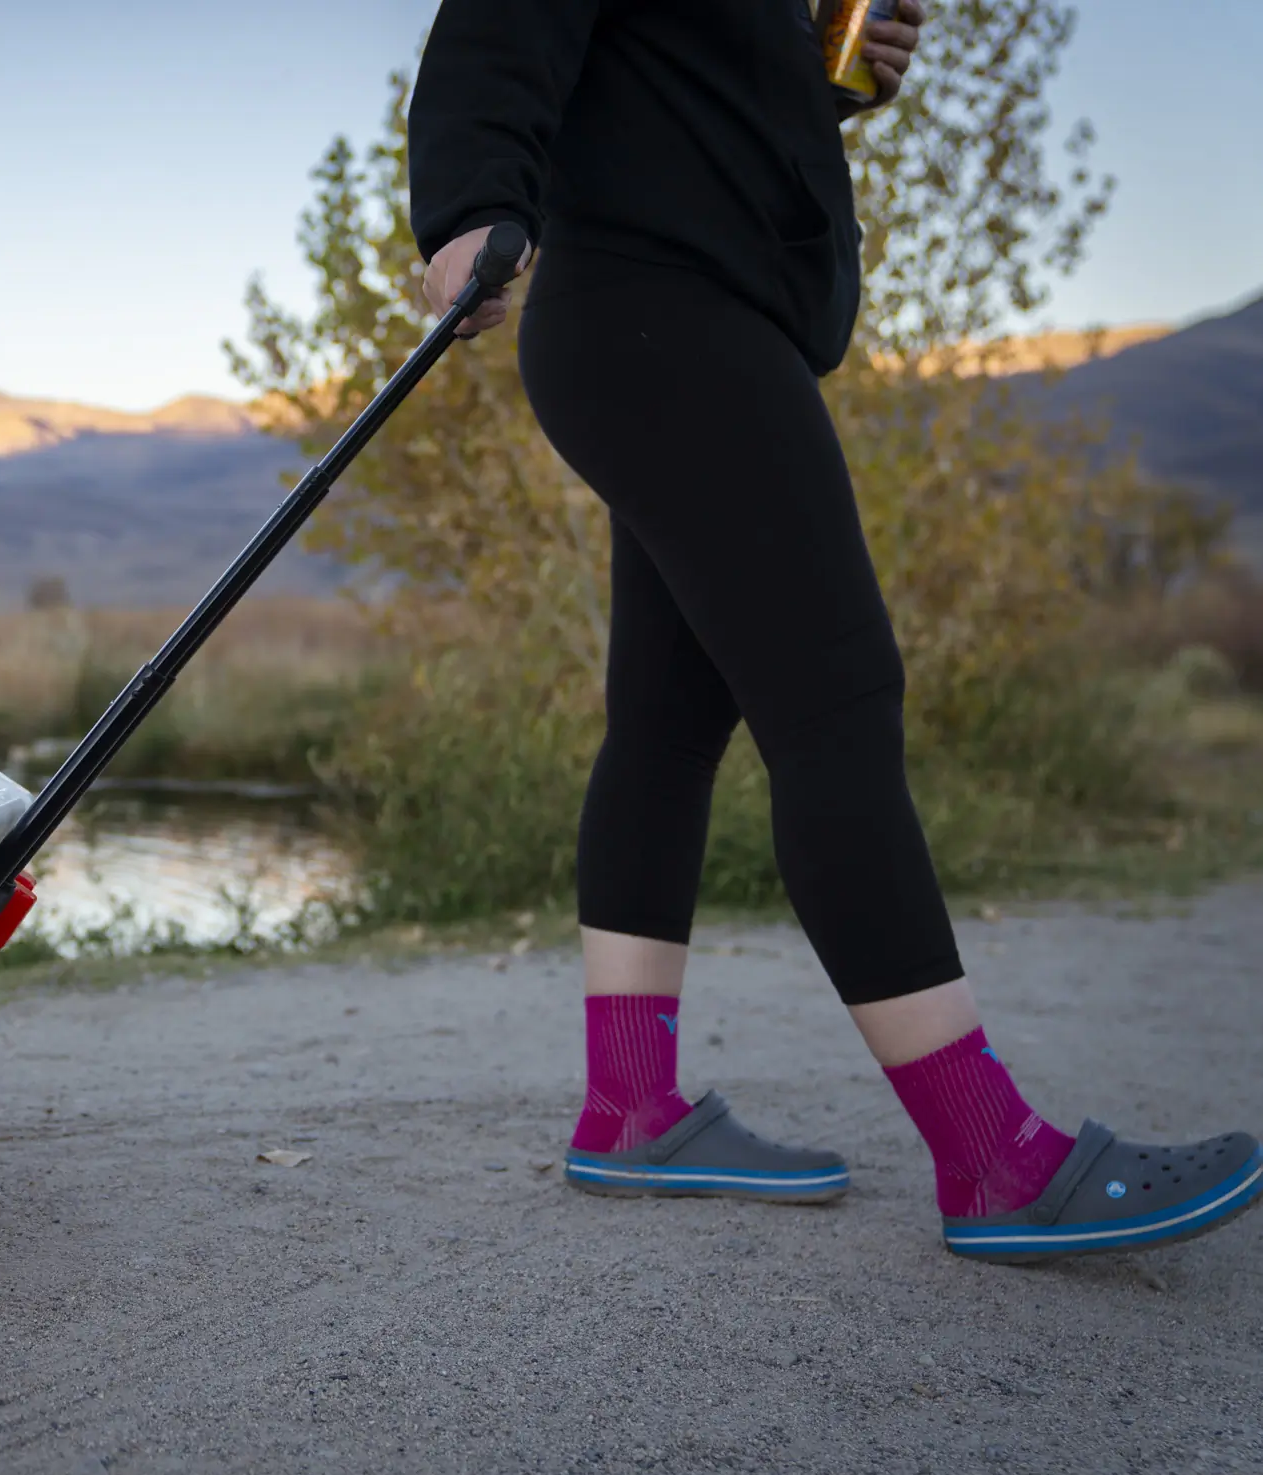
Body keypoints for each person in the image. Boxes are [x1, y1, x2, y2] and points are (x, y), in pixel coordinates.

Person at [408, 0, 1259, 1262]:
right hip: (666, 315)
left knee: (667, 724)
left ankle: (631, 1105)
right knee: (838, 703)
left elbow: (686, 105)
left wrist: (826, 83)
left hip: (664, 322)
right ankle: (994, 1157)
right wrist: (467, 202)